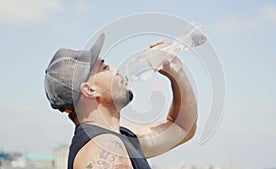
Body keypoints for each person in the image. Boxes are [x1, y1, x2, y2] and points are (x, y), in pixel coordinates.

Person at [44, 33, 198, 169]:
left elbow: (182, 128)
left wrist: (175, 70)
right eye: (105, 68)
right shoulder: (104, 147)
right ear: (90, 90)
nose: (115, 69)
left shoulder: (118, 138)